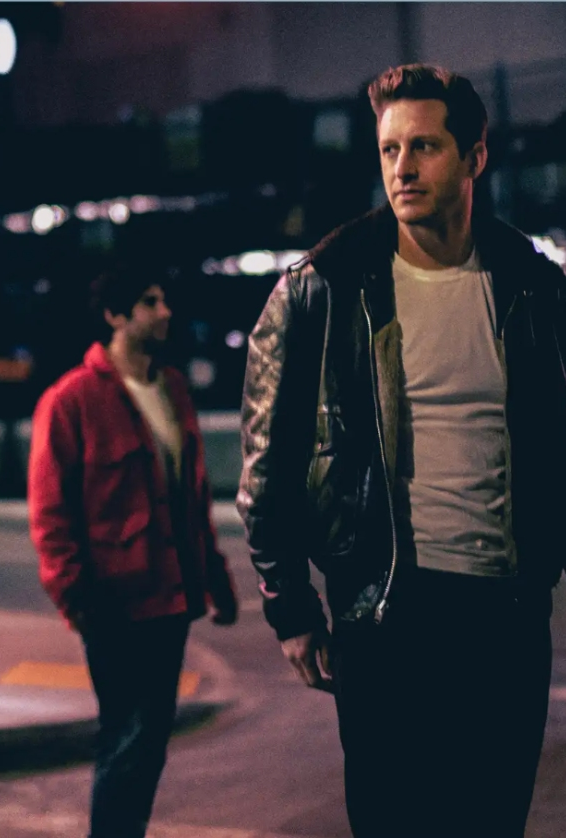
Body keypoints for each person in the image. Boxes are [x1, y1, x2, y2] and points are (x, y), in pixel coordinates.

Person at [238, 63, 566, 838]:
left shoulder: (529, 285)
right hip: (387, 617)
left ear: (474, 157)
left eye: (423, 146)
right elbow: (265, 467)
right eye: (389, 149)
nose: (402, 168)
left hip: (506, 617)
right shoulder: (322, 287)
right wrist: (290, 607)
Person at [28, 265, 238, 838]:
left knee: (147, 745)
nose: (164, 311)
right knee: (127, 741)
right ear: (115, 316)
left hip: (171, 599)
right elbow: (50, 513)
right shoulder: (71, 400)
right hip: (113, 604)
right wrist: (76, 601)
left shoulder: (172, 389)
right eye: (150, 302)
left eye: (164, 299)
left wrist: (215, 580)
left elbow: (192, 495)